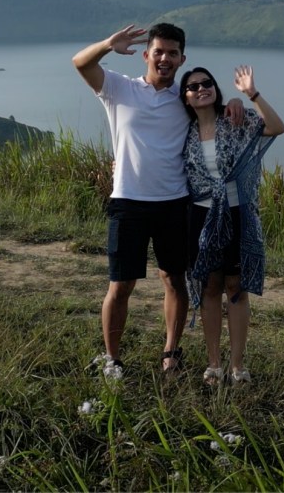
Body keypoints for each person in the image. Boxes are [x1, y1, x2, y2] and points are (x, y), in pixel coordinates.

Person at [72, 23, 243, 378]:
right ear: (147, 54)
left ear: (182, 58)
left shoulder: (183, 100)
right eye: (159, 52)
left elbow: (213, 108)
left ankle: (171, 353)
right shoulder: (119, 88)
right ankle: (112, 360)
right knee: (120, 285)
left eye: (173, 53)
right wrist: (106, 43)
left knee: (174, 280)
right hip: (128, 202)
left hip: (173, 203)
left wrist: (238, 101)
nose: (165, 59)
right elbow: (80, 63)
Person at [180, 63, 284, 386]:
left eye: (206, 83)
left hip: (237, 214)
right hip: (200, 216)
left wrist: (250, 94)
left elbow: (276, 127)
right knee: (209, 288)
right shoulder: (183, 131)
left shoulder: (235, 120)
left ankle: (237, 366)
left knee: (235, 290)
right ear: (185, 98)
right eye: (193, 86)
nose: (201, 89)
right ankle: (214, 363)